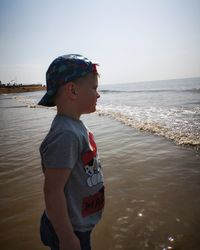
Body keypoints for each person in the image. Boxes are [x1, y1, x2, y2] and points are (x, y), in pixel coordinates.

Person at [38, 54, 104, 250]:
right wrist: (66, 237)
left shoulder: (74, 126)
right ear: (73, 90)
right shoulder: (66, 134)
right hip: (69, 229)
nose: (98, 95)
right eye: (94, 88)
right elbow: (53, 191)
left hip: (77, 223)